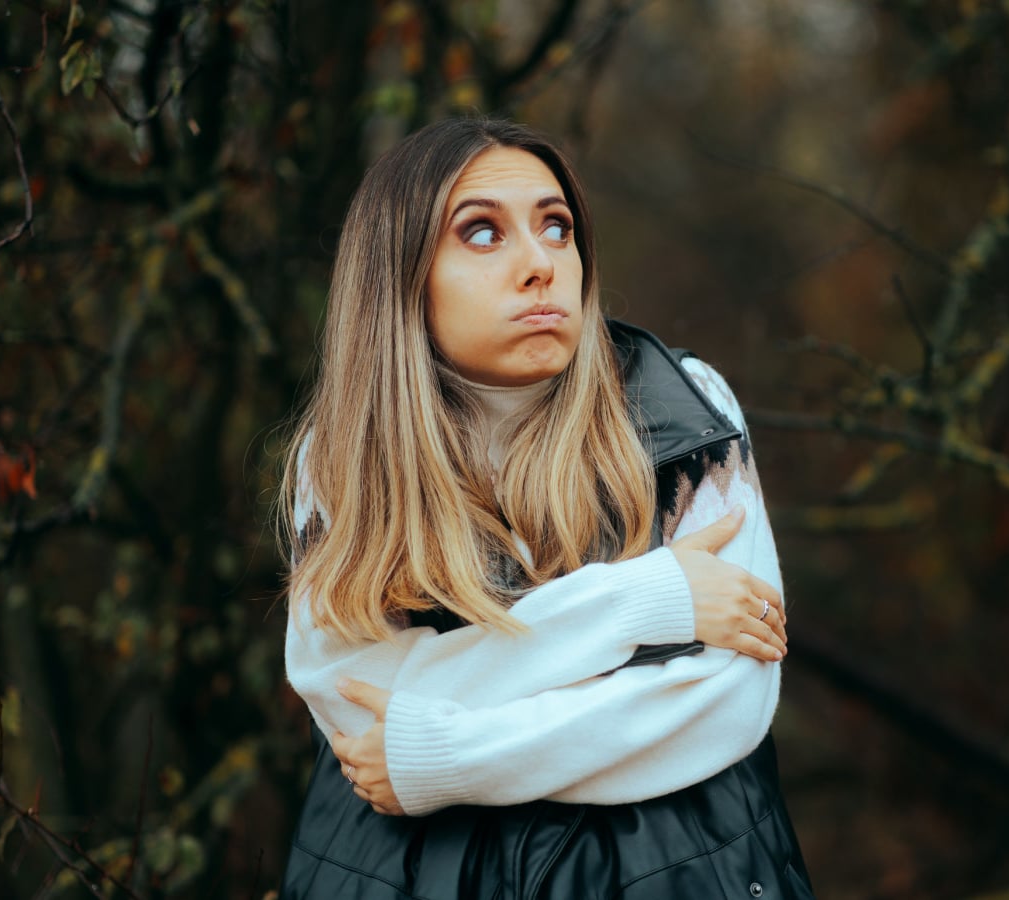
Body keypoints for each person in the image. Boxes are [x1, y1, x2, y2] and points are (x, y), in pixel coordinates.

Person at [276, 116, 814, 899]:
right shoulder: (337, 456)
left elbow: (720, 702)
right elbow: (356, 702)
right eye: (483, 234)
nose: (540, 265)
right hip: (405, 873)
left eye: (556, 228)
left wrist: (446, 757)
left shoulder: (684, 412)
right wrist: (647, 602)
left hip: (665, 870)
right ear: (398, 273)